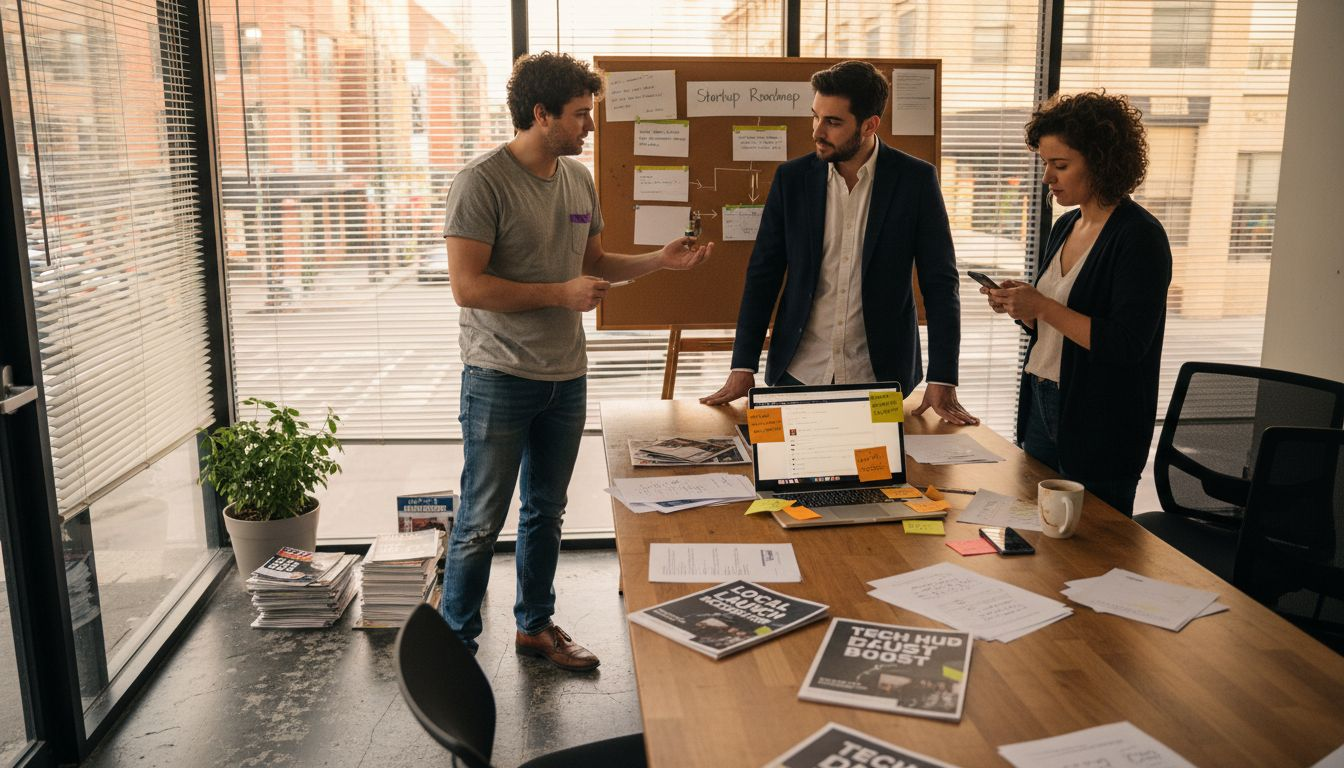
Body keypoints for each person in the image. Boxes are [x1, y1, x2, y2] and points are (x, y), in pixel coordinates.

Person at [439, 52, 712, 671]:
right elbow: (467, 287)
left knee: (546, 511)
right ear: (540, 115)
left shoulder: (578, 179)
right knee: (482, 519)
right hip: (498, 376)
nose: (591, 126)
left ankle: (535, 627)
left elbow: (592, 263)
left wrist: (657, 261)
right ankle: (454, 651)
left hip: (566, 375)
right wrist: (559, 294)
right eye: (581, 115)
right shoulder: (480, 182)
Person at [701, 60, 976, 426]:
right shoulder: (792, 179)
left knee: (879, 476)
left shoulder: (915, 180)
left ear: (869, 125)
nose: (817, 131)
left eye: (832, 122)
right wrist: (743, 364)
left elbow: (941, 284)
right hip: (797, 373)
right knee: (790, 478)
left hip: (881, 380)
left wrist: (943, 376)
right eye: (815, 117)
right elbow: (763, 275)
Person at [983, 91, 1171, 516]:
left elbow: (1126, 343)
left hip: (1101, 420)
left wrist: (1044, 307)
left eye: (1060, 165)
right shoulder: (1067, 224)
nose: (1048, 177)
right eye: (1045, 163)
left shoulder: (1139, 237)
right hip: (1042, 398)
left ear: (1102, 162)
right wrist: (1024, 307)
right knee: (1037, 535)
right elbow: (1059, 325)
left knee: (1094, 551)